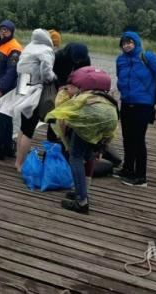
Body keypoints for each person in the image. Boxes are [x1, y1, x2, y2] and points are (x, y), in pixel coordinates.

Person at [45, 67, 118, 214]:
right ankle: (82, 190)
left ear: (79, 87)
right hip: (111, 117)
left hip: (90, 118)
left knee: (75, 157)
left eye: (70, 87)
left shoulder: (79, 97)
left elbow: (61, 118)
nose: (67, 90)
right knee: (87, 154)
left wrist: (65, 139)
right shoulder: (100, 95)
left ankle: (81, 201)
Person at [114, 32, 156, 187]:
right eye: (124, 43)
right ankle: (127, 169)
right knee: (127, 138)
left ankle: (140, 177)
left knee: (138, 139)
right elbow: (120, 77)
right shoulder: (120, 60)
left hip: (143, 104)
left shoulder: (147, 57)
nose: (126, 45)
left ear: (136, 43)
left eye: (130, 42)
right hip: (126, 103)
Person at [6, 28, 56, 170]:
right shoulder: (46, 50)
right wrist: (53, 78)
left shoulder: (29, 46)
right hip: (33, 87)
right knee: (29, 129)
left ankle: (18, 159)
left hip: (22, 84)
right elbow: (46, 71)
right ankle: (20, 164)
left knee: (23, 125)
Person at [0, 20, 23, 160]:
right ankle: (7, 148)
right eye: (1, 29)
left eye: (6, 30)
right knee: (6, 119)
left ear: (12, 32)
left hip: (3, 89)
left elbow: (12, 72)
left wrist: (1, 88)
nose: (3, 32)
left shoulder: (14, 48)